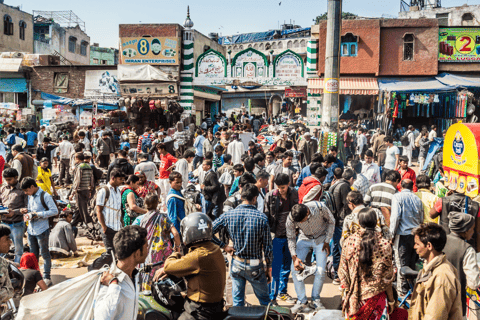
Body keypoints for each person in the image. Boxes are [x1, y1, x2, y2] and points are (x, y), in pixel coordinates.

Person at [154, 213, 226, 320]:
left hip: (201, 311)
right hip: (215, 306)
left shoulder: (198, 256)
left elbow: (169, 266)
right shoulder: (213, 249)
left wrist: (176, 253)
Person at [212, 184, 273, 307]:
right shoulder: (262, 218)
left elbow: (208, 231)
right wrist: (269, 268)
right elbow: (267, 248)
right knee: (265, 302)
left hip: (236, 264)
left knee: (238, 302)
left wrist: (224, 246)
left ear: (241, 196)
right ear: (255, 198)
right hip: (255, 266)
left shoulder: (229, 215)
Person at [338, 208, 397, 319]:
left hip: (354, 303)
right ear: (376, 222)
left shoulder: (349, 242)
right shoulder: (384, 245)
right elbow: (387, 278)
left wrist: (348, 295)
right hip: (378, 301)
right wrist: (391, 300)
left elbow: (342, 272)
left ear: (359, 223)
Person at [287, 202, 335, 313]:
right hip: (304, 238)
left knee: (321, 270)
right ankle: (302, 301)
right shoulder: (291, 217)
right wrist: (294, 257)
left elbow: (331, 222)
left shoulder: (320, 207)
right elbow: (291, 237)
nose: (299, 224)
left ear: (308, 212)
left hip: (321, 239)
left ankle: (315, 299)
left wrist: (327, 241)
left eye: (301, 221)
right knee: (294, 269)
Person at [409, 223, 462, 320]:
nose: (414, 247)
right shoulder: (429, 268)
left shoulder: (442, 276)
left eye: (417, 244)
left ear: (429, 246)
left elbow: (435, 316)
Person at [94, 225, 148, 320]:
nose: (148, 250)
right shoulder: (107, 281)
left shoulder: (133, 275)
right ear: (137, 253)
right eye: (146, 247)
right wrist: (113, 284)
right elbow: (101, 318)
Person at [264, 172, 299, 305]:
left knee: (286, 267)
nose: (280, 190)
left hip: (290, 236)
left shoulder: (294, 193)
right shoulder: (270, 196)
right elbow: (266, 217)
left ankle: (282, 293)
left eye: (283, 187)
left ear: (288, 185)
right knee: (275, 268)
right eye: (278, 187)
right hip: (276, 237)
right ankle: (272, 296)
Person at [138, 193, 181, 291]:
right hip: (163, 252)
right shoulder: (164, 217)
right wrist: (177, 247)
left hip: (148, 252)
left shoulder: (143, 219)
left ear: (145, 204)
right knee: (163, 275)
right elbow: (176, 234)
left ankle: (148, 292)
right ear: (157, 204)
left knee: (148, 274)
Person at [20, 177, 59, 285]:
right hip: (31, 230)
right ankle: (36, 276)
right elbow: (32, 209)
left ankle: (46, 277)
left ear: (32, 187)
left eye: (27, 190)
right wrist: (27, 211)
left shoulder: (45, 196)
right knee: (33, 255)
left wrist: (38, 214)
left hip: (42, 229)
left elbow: (54, 211)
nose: (26, 193)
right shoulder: (31, 196)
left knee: (45, 254)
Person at [390, 179, 423, 297]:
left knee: (401, 265)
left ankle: (402, 293)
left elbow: (395, 218)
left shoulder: (397, 197)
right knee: (412, 263)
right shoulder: (417, 199)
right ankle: (412, 290)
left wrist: (391, 235)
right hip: (415, 236)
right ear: (412, 186)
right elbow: (421, 219)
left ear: (400, 186)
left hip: (402, 235)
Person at [443, 212, 480, 318]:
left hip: (436, 296)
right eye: (472, 229)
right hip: (456, 302)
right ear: (466, 230)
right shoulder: (467, 249)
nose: (473, 232)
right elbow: (474, 283)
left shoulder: (440, 241)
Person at [90, 169, 125, 270]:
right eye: (120, 179)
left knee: (117, 252)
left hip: (117, 226)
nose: (122, 181)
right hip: (107, 226)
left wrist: (121, 223)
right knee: (110, 252)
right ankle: (93, 268)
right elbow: (99, 210)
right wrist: (104, 227)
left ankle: (110, 270)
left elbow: (118, 209)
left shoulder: (118, 191)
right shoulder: (104, 191)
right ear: (113, 178)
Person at [330, 168, 356, 284]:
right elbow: (347, 205)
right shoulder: (345, 186)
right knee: (343, 248)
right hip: (341, 221)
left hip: (334, 220)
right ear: (351, 179)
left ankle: (337, 274)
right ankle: (342, 276)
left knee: (336, 247)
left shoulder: (335, 184)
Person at [0, 168, 27, 263]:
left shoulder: (22, 190)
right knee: (1, 249)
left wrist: (14, 212)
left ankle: (17, 270)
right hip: (4, 223)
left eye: (9, 179)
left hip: (17, 224)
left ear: (16, 177)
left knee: (18, 250)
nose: (8, 182)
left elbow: (27, 208)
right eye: (6, 180)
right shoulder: (3, 188)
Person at [69, 152, 95, 226]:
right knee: (82, 208)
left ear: (77, 158)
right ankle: (75, 223)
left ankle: (89, 225)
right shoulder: (88, 166)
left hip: (80, 191)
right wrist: (90, 190)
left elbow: (77, 181)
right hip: (87, 190)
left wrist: (72, 193)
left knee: (83, 210)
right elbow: (91, 179)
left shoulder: (79, 167)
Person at [157, 143, 177, 208]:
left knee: (167, 192)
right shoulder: (161, 155)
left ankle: (169, 205)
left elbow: (177, 161)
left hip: (167, 177)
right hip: (160, 177)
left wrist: (171, 167)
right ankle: (163, 206)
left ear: (163, 149)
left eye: (159, 149)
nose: (158, 151)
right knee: (162, 193)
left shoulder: (169, 156)